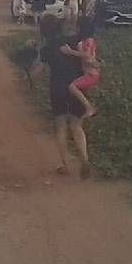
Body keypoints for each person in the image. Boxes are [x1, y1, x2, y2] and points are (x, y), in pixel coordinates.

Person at [39, 13, 92, 179]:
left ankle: (66, 165)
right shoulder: (74, 42)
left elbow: (38, 69)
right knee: (77, 125)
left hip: (57, 87)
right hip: (77, 86)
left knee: (60, 126)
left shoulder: (46, 48)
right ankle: (85, 159)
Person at [61, 16, 100, 120]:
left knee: (72, 87)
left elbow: (86, 54)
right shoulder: (89, 40)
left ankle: (89, 107)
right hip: (89, 72)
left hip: (90, 74)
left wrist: (70, 52)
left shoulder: (86, 41)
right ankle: (86, 108)